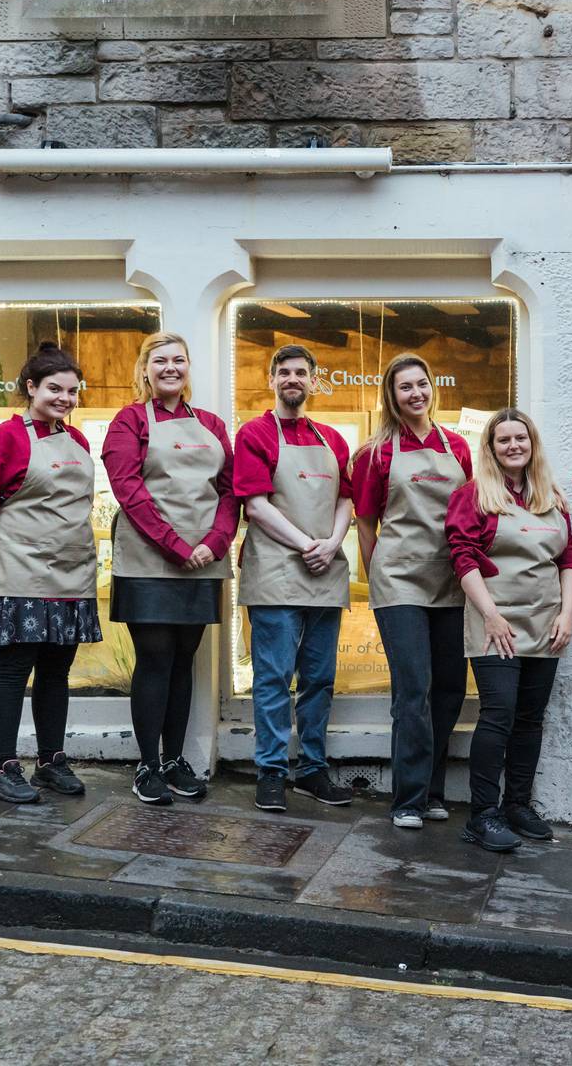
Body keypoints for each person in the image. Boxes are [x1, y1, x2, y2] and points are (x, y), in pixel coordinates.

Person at [102, 331, 239, 805]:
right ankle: (147, 765)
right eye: (160, 361)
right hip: (149, 559)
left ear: (187, 369)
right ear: (145, 369)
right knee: (156, 659)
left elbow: (230, 491)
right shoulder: (129, 422)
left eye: (179, 360)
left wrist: (215, 542)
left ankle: (176, 760)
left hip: (204, 558)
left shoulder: (213, 425)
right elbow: (129, 491)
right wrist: (179, 546)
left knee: (185, 662)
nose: (170, 368)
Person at [444, 408, 572, 852]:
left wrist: (566, 615)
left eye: (520, 438)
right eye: (503, 440)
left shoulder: (551, 498)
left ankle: (518, 804)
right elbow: (462, 558)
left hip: (545, 624)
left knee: (530, 719)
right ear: (491, 448)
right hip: (495, 623)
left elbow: (569, 560)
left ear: (532, 444)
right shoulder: (473, 496)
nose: (513, 446)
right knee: (498, 714)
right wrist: (491, 614)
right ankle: (483, 814)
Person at [0, 345, 99, 804]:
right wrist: (12, 554)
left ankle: (50, 761)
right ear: (31, 388)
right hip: (18, 575)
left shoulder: (79, 442)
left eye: (71, 391)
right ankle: (1, 766)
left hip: (71, 573)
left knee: (56, 672)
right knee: (11, 671)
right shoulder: (1, 439)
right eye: (54, 389)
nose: (64, 398)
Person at [351, 353, 472, 830]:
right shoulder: (376, 453)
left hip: (450, 579)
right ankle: (407, 798)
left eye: (422, 384)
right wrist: (377, 571)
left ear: (431, 389)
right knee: (413, 689)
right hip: (399, 580)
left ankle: (434, 790)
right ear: (392, 396)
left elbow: (471, 515)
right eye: (406, 387)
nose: (416, 393)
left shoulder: (459, 448)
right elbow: (364, 522)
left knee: (448, 689)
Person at [234, 343, 356, 814]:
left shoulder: (332, 439)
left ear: (312, 380)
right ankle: (270, 770)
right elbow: (255, 504)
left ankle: (311, 768)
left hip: (326, 569)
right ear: (271, 379)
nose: (292, 379)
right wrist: (308, 544)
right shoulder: (256, 434)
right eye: (284, 372)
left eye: (301, 372)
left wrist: (332, 543)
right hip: (277, 570)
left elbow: (347, 500)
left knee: (320, 678)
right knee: (273, 677)